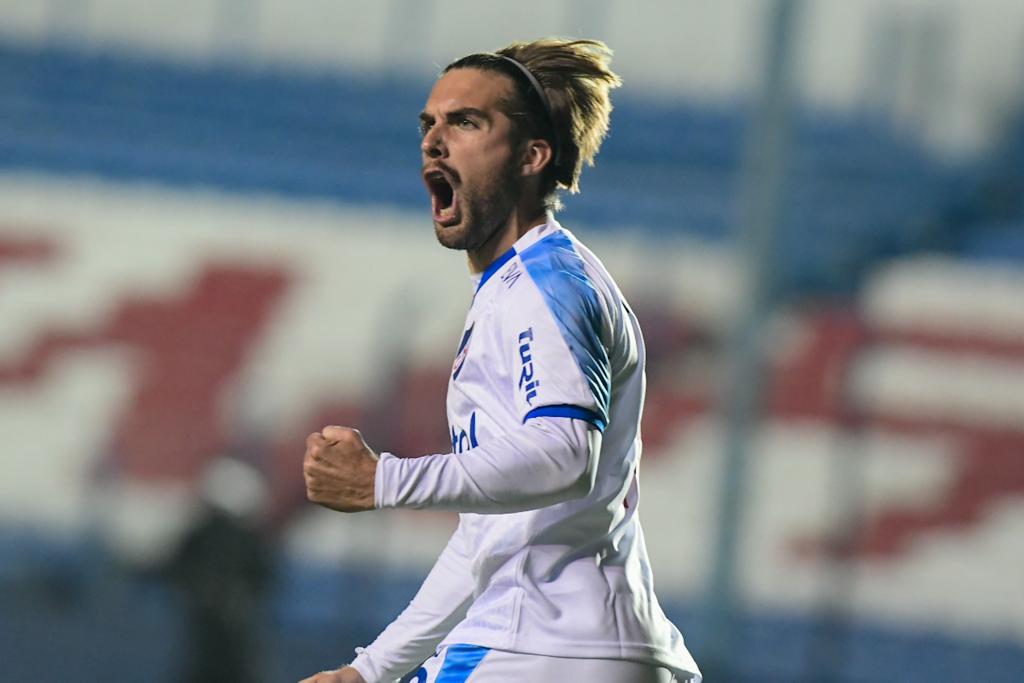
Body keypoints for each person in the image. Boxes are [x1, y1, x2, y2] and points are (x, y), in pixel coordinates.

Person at [300, 38, 701, 683]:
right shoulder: (528, 284)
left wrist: (384, 481)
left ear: (532, 156)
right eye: (428, 123)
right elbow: (493, 537)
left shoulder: (547, 285)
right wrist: (372, 671)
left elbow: (568, 453)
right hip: (575, 643)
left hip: (540, 648)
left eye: (465, 122)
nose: (434, 140)